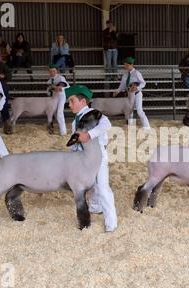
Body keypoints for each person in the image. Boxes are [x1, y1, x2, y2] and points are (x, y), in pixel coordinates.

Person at [65, 85, 117, 233]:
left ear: (82, 102)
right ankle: (95, 207)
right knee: (89, 185)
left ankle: (111, 222)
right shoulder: (74, 122)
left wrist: (90, 135)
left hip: (98, 156)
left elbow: (107, 124)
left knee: (102, 187)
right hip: (82, 158)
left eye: (72, 101)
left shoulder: (94, 114)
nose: (69, 105)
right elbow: (75, 140)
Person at [113, 57, 150, 129]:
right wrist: (117, 91)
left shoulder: (137, 73)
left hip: (137, 94)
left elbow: (143, 83)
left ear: (132, 65)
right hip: (129, 95)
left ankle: (147, 126)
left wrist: (137, 88)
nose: (125, 67)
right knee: (129, 111)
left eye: (127, 65)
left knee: (139, 110)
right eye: (125, 65)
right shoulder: (125, 75)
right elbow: (122, 86)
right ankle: (131, 125)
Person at [47, 64, 70, 136]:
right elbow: (48, 91)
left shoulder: (60, 77)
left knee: (59, 112)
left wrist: (58, 87)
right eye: (50, 71)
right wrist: (52, 88)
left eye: (53, 71)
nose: (52, 72)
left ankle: (63, 132)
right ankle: (58, 128)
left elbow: (64, 85)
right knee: (54, 113)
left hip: (61, 96)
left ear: (56, 71)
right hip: (53, 97)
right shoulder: (49, 81)